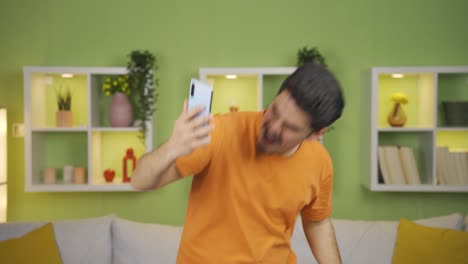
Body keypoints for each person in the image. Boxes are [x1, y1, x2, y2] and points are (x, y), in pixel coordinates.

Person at [131, 62, 345, 264]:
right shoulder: (220, 132)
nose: (272, 128)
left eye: (290, 127)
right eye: (274, 111)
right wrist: (172, 146)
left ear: (316, 133)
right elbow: (140, 180)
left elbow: (317, 222)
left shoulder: (320, 161)